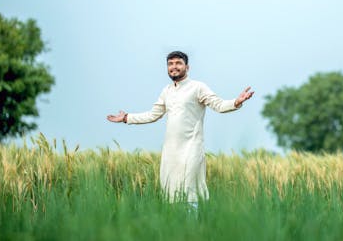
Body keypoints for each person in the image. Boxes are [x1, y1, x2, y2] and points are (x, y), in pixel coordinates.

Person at [107, 51, 254, 206]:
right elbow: (152, 115)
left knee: (190, 192)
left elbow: (218, 105)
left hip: (191, 149)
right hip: (170, 151)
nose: (174, 67)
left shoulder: (198, 87)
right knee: (171, 193)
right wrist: (126, 118)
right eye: (170, 64)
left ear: (187, 67)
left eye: (178, 63)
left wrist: (236, 102)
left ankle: (191, 228)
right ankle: (176, 227)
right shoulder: (167, 91)